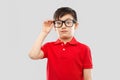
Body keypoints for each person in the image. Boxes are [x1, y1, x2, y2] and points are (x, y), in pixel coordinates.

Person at [29, 7, 93, 80]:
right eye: (59, 23)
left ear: (76, 25)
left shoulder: (84, 49)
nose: (63, 26)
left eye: (68, 22)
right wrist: (44, 32)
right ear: (55, 27)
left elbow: (88, 78)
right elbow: (33, 55)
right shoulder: (49, 46)